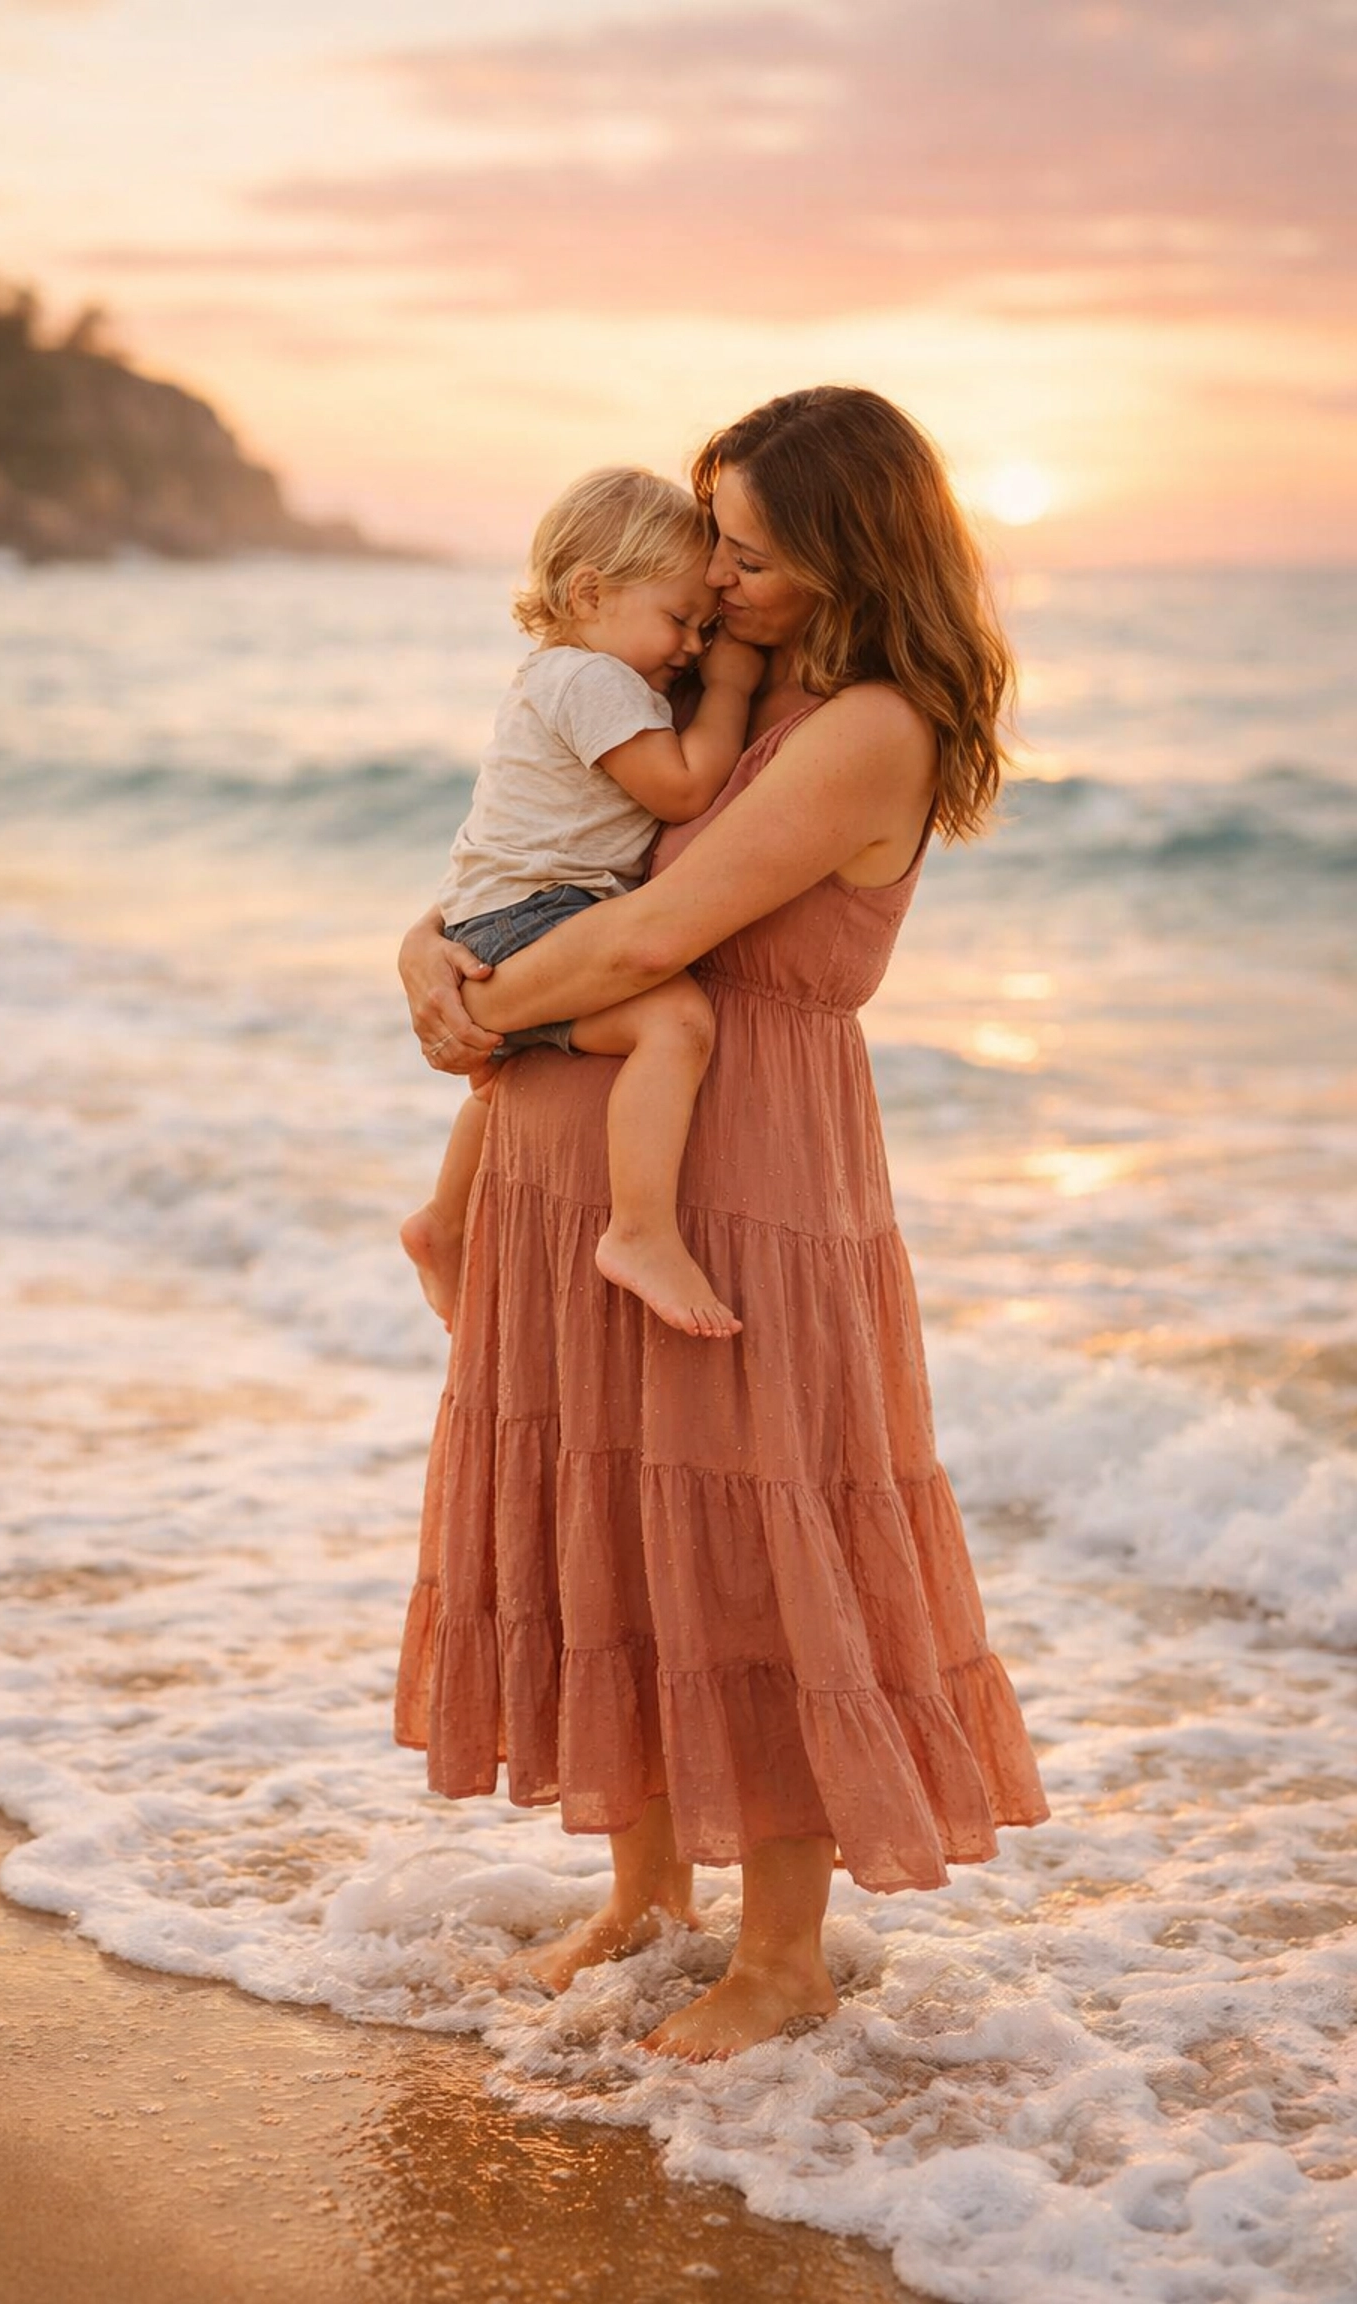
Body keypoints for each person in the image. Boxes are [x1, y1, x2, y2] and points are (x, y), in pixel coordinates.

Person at [395, 386, 1050, 2063]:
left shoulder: (871, 724)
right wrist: (429, 947)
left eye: (752, 554)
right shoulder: (705, 681)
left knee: (759, 1531)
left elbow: (657, 932)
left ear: (845, 549)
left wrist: (478, 1011)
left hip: (749, 1166)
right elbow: (553, 850)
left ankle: (781, 1953)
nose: (722, 577)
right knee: (615, 1501)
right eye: (717, 549)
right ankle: (644, 1888)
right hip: (594, 1139)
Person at [402, 466, 765, 1341]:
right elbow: (679, 790)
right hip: (535, 912)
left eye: (703, 628)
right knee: (674, 1023)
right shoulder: (591, 681)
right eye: (679, 620)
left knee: (504, 1072)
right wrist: (730, 691)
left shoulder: (561, 673)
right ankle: (639, 1230)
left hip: (493, 914)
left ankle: (443, 1223)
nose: (690, 644)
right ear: (590, 592)